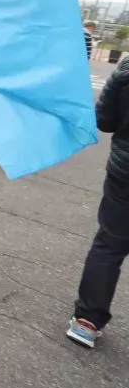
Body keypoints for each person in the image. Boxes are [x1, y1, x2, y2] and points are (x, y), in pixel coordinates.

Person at [67, 58, 129, 349]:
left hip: (125, 173)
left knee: (109, 245)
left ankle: (87, 322)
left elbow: (104, 119)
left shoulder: (127, 67)